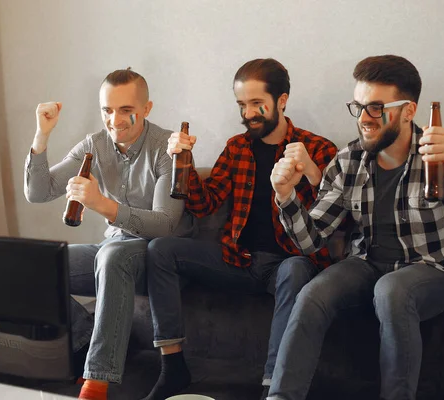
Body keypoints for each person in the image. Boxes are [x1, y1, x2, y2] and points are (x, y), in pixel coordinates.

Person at [268, 55, 444, 400]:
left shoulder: (439, 157)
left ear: (409, 111)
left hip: (431, 271)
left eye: (377, 108)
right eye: (359, 106)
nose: (364, 118)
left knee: (393, 290)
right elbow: (311, 239)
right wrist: (286, 195)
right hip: (366, 264)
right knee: (312, 293)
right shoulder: (348, 161)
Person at [142, 58, 338, 400]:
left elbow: (338, 214)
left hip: (288, 263)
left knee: (294, 270)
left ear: (282, 100)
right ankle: (173, 367)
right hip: (239, 260)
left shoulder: (317, 148)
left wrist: (310, 172)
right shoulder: (237, 147)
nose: (249, 114)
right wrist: (183, 162)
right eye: (242, 105)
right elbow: (205, 204)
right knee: (161, 249)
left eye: (257, 104)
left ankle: (272, 388)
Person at [24, 68, 190, 400]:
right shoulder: (94, 145)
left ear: (146, 108)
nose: (115, 120)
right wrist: (42, 136)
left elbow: (164, 224)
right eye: (107, 110)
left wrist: (100, 204)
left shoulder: (168, 147)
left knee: (112, 255)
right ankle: (89, 339)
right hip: (115, 247)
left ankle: (96, 383)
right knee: (38, 265)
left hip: (161, 255)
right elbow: (38, 192)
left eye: (126, 110)